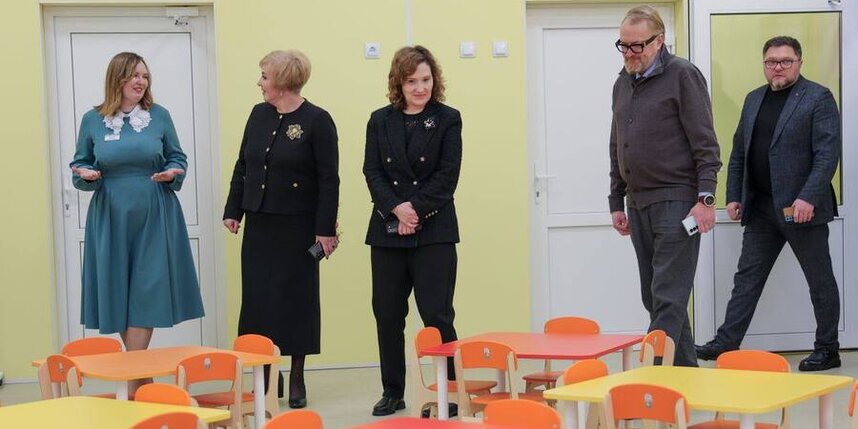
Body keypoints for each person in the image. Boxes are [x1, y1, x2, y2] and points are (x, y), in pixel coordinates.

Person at [695, 36, 842, 371]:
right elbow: (739, 153)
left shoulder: (818, 97)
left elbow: (827, 154)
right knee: (746, 278)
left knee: (819, 280)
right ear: (764, 64)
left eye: (786, 61)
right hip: (761, 208)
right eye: (771, 61)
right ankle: (725, 343)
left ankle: (827, 348)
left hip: (801, 211)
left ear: (799, 63)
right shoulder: (754, 99)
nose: (778, 67)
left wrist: (808, 196)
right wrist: (734, 195)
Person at [70, 52, 204, 381]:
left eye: (144, 75)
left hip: (155, 213)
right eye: (134, 75)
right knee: (119, 291)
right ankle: (140, 377)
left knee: (147, 291)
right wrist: (85, 174)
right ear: (117, 78)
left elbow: (177, 158)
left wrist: (173, 172)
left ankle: (135, 376)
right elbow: (80, 164)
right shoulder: (92, 119)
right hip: (110, 214)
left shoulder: (159, 116)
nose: (141, 81)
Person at [223, 50, 339, 408]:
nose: (259, 83)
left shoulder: (317, 120)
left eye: (264, 76)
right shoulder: (258, 114)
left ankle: (298, 375)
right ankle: (267, 374)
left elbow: (329, 180)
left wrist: (325, 230)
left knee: (297, 301)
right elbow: (243, 165)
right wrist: (233, 209)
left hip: (298, 226)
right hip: (260, 223)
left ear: (284, 81)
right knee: (259, 302)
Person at [608, 6, 721, 367]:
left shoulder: (682, 75)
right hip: (638, 202)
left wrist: (706, 199)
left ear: (659, 41)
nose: (629, 54)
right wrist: (616, 199)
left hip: (677, 201)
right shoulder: (623, 83)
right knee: (655, 297)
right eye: (623, 45)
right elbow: (617, 143)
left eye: (636, 46)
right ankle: (685, 376)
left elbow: (706, 143)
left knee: (668, 297)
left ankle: (657, 379)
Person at [363, 45, 462, 417]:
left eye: (425, 79)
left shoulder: (448, 119)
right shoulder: (379, 120)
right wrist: (397, 208)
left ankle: (450, 391)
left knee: (437, 314)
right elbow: (372, 171)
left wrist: (414, 210)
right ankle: (392, 391)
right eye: (411, 82)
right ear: (398, 84)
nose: (420, 88)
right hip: (387, 229)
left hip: (434, 230)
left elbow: (447, 176)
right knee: (387, 314)